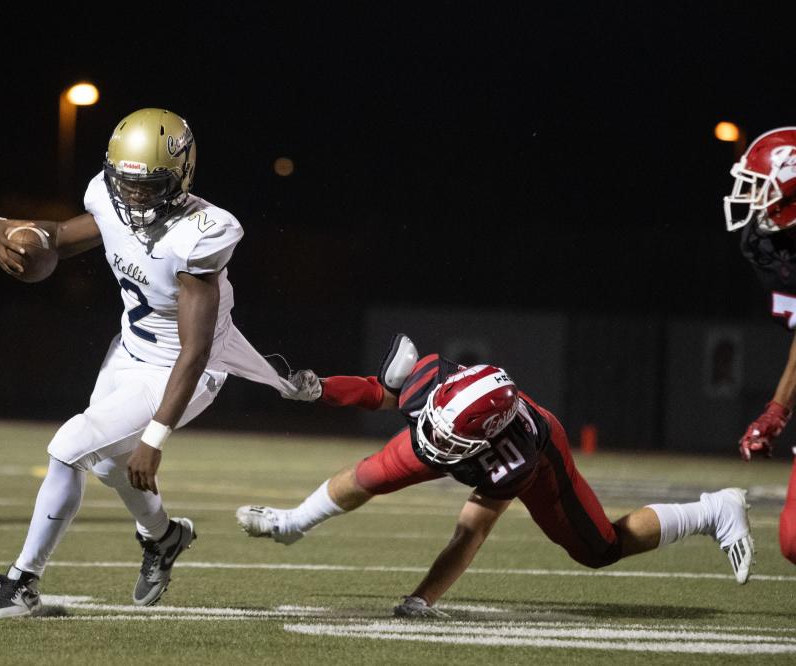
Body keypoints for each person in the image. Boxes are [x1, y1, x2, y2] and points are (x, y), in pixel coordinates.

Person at [0, 108, 303, 618]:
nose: (132, 196)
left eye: (148, 185)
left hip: (183, 369)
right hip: (127, 351)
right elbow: (59, 239)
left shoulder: (203, 231)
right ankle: (164, 537)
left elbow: (194, 350)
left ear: (181, 176)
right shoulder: (107, 197)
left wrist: (155, 440)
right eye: (124, 183)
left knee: (68, 448)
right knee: (108, 465)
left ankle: (23, 581)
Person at [237, 334, 755, 617]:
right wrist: (320, 388)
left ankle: (713, 509)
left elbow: (472, 530)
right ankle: (292, 524)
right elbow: (379, 391)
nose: (433, 445)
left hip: (542, 454)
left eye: (448, 441)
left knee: (598, 549)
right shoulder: (432, 388)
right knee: (370, 474)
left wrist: (422, 598)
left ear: (482, 441)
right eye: (433, 427)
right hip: (471, 427)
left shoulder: (516, 457)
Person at [724, 126, 796, 566]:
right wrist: (777, 410)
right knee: (793, 543)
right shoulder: (771, 247)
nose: (752, 199)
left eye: (762, 188)